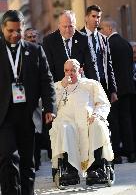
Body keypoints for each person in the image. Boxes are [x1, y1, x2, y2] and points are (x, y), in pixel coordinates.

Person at [0, 10, 56, 195]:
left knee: (27, 161)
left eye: (18, 30)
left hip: (27, 113)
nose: (15, 34)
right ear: (2, 29)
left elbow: (46, 80)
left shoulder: (35, 50)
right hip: (4, 114)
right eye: (10, 31)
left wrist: (49, 107)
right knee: (8, 157)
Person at [49, 59, 114, 181]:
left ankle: (95, 169)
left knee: (98, 125)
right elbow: (51, 106)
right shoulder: (58, 86)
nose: (70, 74)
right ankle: (71, 171)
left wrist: (97, 114)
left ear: (80, 70)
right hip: (67, 122)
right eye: (67, 71)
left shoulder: (91, 84)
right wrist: (62, 87)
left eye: (73, 70)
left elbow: (103, 104)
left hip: (88, 121)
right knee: (65, 128)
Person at [100, 18, 136, 163]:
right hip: (128, 88)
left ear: (109, 28)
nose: (101, 32)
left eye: (102, 29)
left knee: (113, 122)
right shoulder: (127, 44)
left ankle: (117, 154)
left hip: (114, 91)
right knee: (127, 120)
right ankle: (131, 152)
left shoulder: (108, 44)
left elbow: (108, 70)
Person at [42, 10, 98, 82]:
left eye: (71, 26)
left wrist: (96, 88)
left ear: (75, 25)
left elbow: (91, 66)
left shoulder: (83, 39)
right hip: (59, 85)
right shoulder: (49, 41)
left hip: (79, 85)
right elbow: (48, 69)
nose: (68, 30)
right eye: (65, 26)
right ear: (59, 26)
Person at [80, 5, 117, 102]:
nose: (96, 19)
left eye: (98, 17)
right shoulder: (78, 38)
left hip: (104, 86)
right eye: (93, 16)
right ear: (86, 18)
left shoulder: (103, 39)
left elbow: (109, 66)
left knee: (105, 116)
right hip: (87, 87)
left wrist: (113, 91)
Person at [24, 27, 43, 171]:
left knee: (38, 129)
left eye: (34, 36)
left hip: (40, 96)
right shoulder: (22, 53)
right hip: (25, 97)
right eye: (29, 36)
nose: (32, 38)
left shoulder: (42, 51)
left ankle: (37, 161)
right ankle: (32, 161)